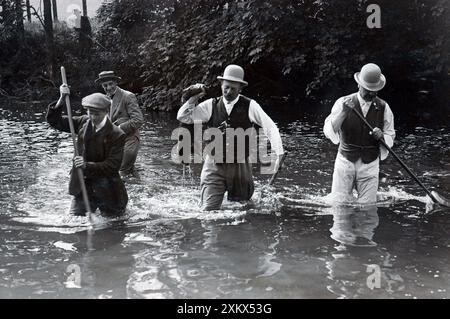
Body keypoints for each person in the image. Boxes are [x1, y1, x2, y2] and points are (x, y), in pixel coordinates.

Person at [177, 64, 284, 210]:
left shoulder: (250, 106)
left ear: (240, 88)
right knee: (208, 211)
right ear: (221, 84)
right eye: (226, 87)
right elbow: (184, 117)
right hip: (214, 165)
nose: (228, 91)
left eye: (233, 88)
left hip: (240, 167)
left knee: (242, 210)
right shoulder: (210, 105)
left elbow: (270, 127)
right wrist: (193, 98)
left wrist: (279, 153)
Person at [46, 85, 128, 216]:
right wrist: (61, 99)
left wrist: (86, 165)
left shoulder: (117, 134)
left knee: (115, 226)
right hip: (82, 185)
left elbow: (113, 166)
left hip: (107, 188)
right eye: (89, 112)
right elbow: (56, 122)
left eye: (96, 113)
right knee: (75, 222)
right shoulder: (83, 122)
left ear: (106, 111)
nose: (92, 117)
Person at [323, 63, 395, 204]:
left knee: (367, 208)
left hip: (370, 164)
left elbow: (390, 135)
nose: (371, 93)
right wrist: (344, 112)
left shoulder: (384, 107)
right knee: (339, 205)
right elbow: (329, 131)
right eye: (368, 89)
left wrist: (382, 137)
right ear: (359, 85)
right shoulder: (342, 103)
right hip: (345, 161)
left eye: (374, 90)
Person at [95, 71, 144, 175]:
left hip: (129, 140)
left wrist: (118, 128)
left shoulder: (128, 96)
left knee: (121, 174)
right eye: (105, 85)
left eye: (110, 84)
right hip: (114, 143)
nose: (108, 88)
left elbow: (138, 120)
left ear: (116, 82)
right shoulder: (104, 99)